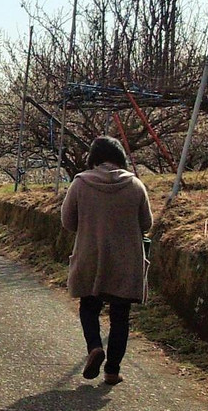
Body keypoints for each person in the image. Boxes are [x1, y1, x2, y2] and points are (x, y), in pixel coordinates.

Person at [61, 135, 153, 386]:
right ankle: (112, 370)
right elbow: (147, 223)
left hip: (91, 256)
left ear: (93, 158)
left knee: (89, 307)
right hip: (125, 260)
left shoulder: (80, 184)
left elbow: (68, 222)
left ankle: (94, 347)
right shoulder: (135, 185)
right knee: (120, 316)